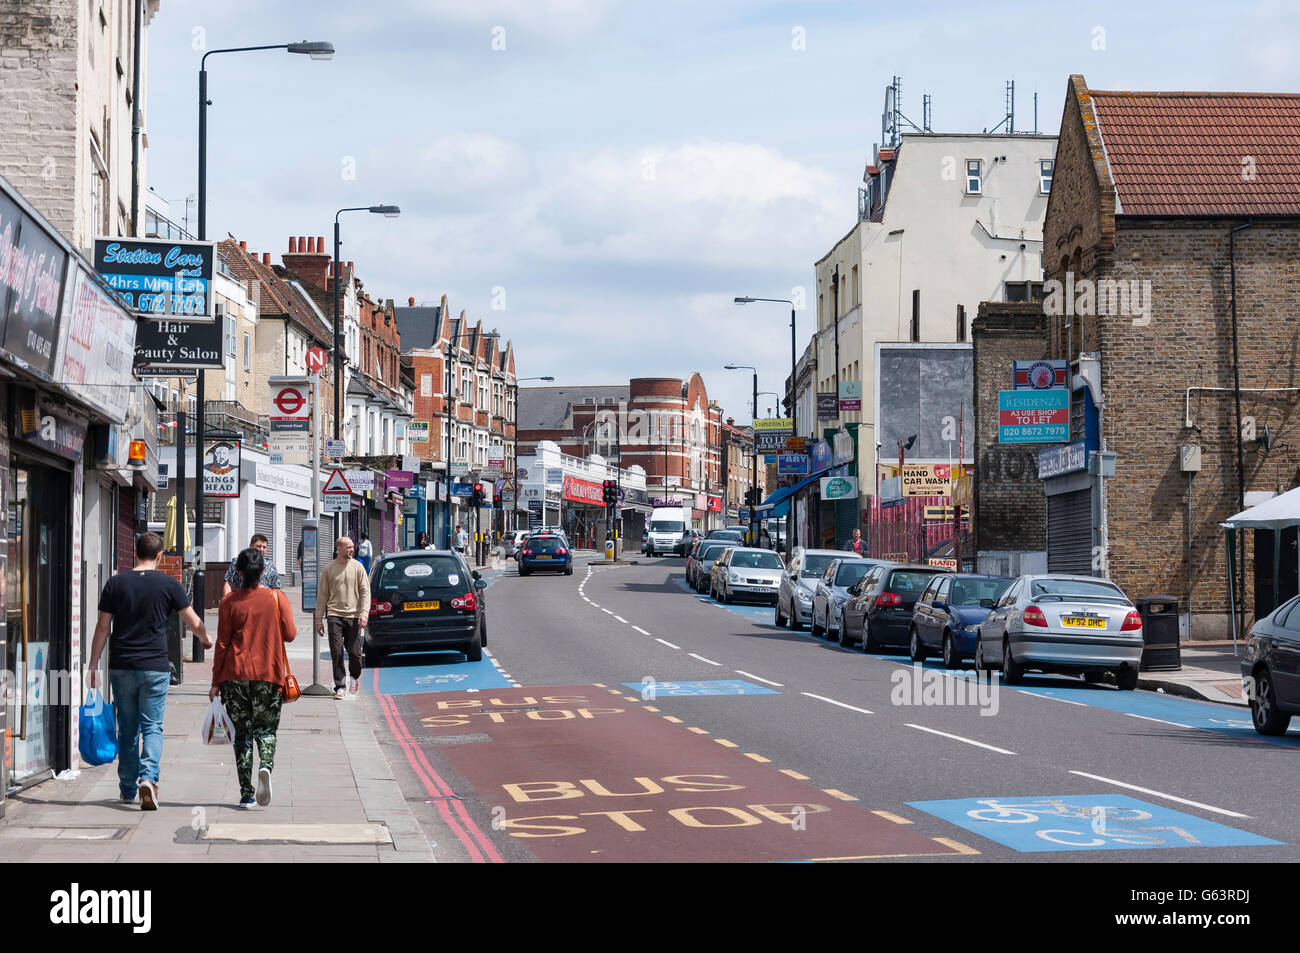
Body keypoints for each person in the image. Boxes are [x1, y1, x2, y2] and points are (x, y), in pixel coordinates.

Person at [87, 532, 210, 809]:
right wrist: (205, 638)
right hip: (154, 667)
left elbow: (103, 627)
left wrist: (93, 663)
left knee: (127, 730)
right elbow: (192, 620)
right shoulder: (169, 584)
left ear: (135, 552)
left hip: (121, 666)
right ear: (159, 556)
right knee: (152, 726)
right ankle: (148, 778)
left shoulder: (115, 584)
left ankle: (128, 788)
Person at [210, 547, 296, 809]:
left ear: (238, 574)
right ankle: (266, 766)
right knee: (267, 730)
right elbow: (290, 634)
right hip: (268, 674)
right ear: (262, 572)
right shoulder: (276, 598)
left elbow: (222, 644)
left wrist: (215, 682)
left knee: (243, 735)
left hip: (235, 676)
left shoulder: (228, 603)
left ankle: (246, 794)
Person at [314, 537, 371, 699]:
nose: (352, 549)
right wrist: (319, 620)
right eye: (348, 547)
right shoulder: (328, 569)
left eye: (353, 547)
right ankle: (340, 686)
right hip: (334, 615)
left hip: (354, 615)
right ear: (338, 548)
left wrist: (364, 613)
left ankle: (354, 677)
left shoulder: (358, 567)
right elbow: (322, 596)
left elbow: (366, 592)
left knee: (354, 653)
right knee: (336, 652)